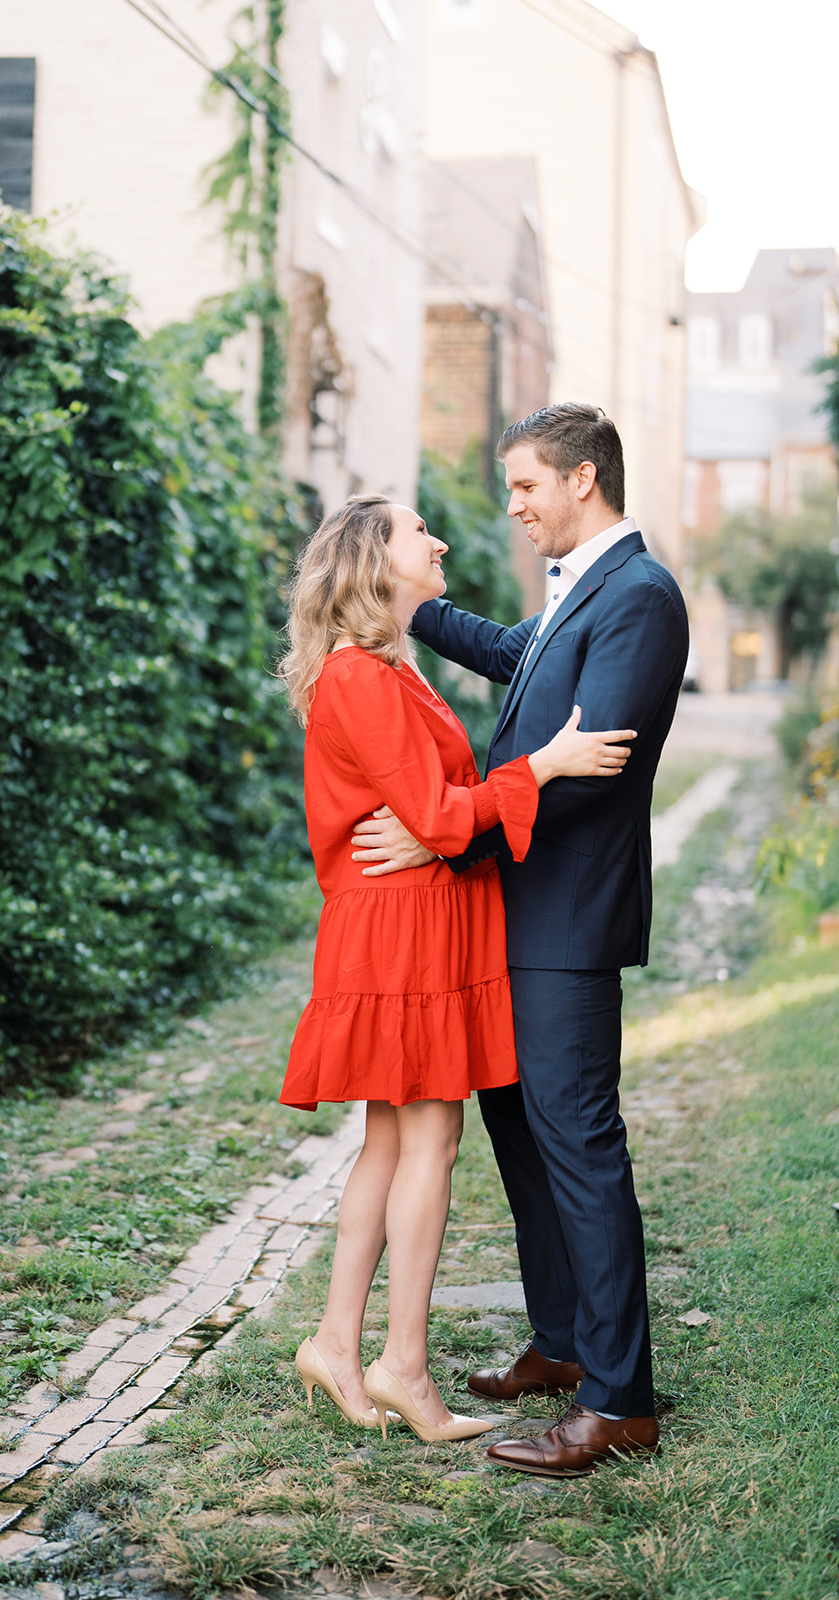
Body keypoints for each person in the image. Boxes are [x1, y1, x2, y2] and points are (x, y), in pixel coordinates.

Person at [352, 403, 689, 1477]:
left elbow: (595, 772)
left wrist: (447, 841)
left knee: (580, 1142)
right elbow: (515, 655)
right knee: (522, 1135)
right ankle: (561, 1340)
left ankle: (619, 1396)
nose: (514, 507)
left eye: (528, 486)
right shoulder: (579, 590)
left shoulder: (638, 595)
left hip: (566, 917)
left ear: (584, 479)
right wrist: (405, 607)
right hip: (515, 912)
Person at [277, 491, 636, 1445]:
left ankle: (336, 1344)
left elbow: (435, 808)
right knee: (425, 1147)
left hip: (409, 923)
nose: (437, 542)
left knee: (389, 1148)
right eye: (415, 533)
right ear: (377, 563)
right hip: (400, 932)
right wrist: (547, 764)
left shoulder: (387, 667)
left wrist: (449, 812)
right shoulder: (363, 677)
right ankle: (402, 1368)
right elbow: (439, 817)